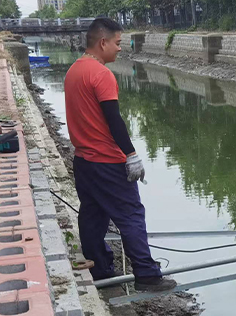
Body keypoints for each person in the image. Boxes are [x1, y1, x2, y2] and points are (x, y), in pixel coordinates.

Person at [64, 18, 176, 292]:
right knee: (131, 215)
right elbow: (114, 120)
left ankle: (100, 271)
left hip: (83, 161)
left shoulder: (73, 72)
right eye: (117, 43)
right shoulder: (101, 75)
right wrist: (131, 154)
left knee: (93, 214)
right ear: (102, 42)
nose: (120, 49)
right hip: (107, 162)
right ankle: (147, 274)